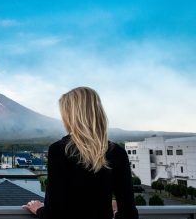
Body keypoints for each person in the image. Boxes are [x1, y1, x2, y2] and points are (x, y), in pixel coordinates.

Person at [23, 87, 138, 219]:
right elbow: (129, 212)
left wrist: (39, 209)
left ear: (70, 115)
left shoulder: (59, 150)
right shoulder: (116, 152)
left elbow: (54, 213)